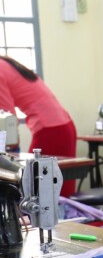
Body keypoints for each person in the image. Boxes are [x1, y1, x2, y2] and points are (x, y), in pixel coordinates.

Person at [0, 55, 77, 197]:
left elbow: (6, 117)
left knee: (36, 188)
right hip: (62, 125)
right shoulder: (5, 63)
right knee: (55, 188)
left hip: (51, 130)